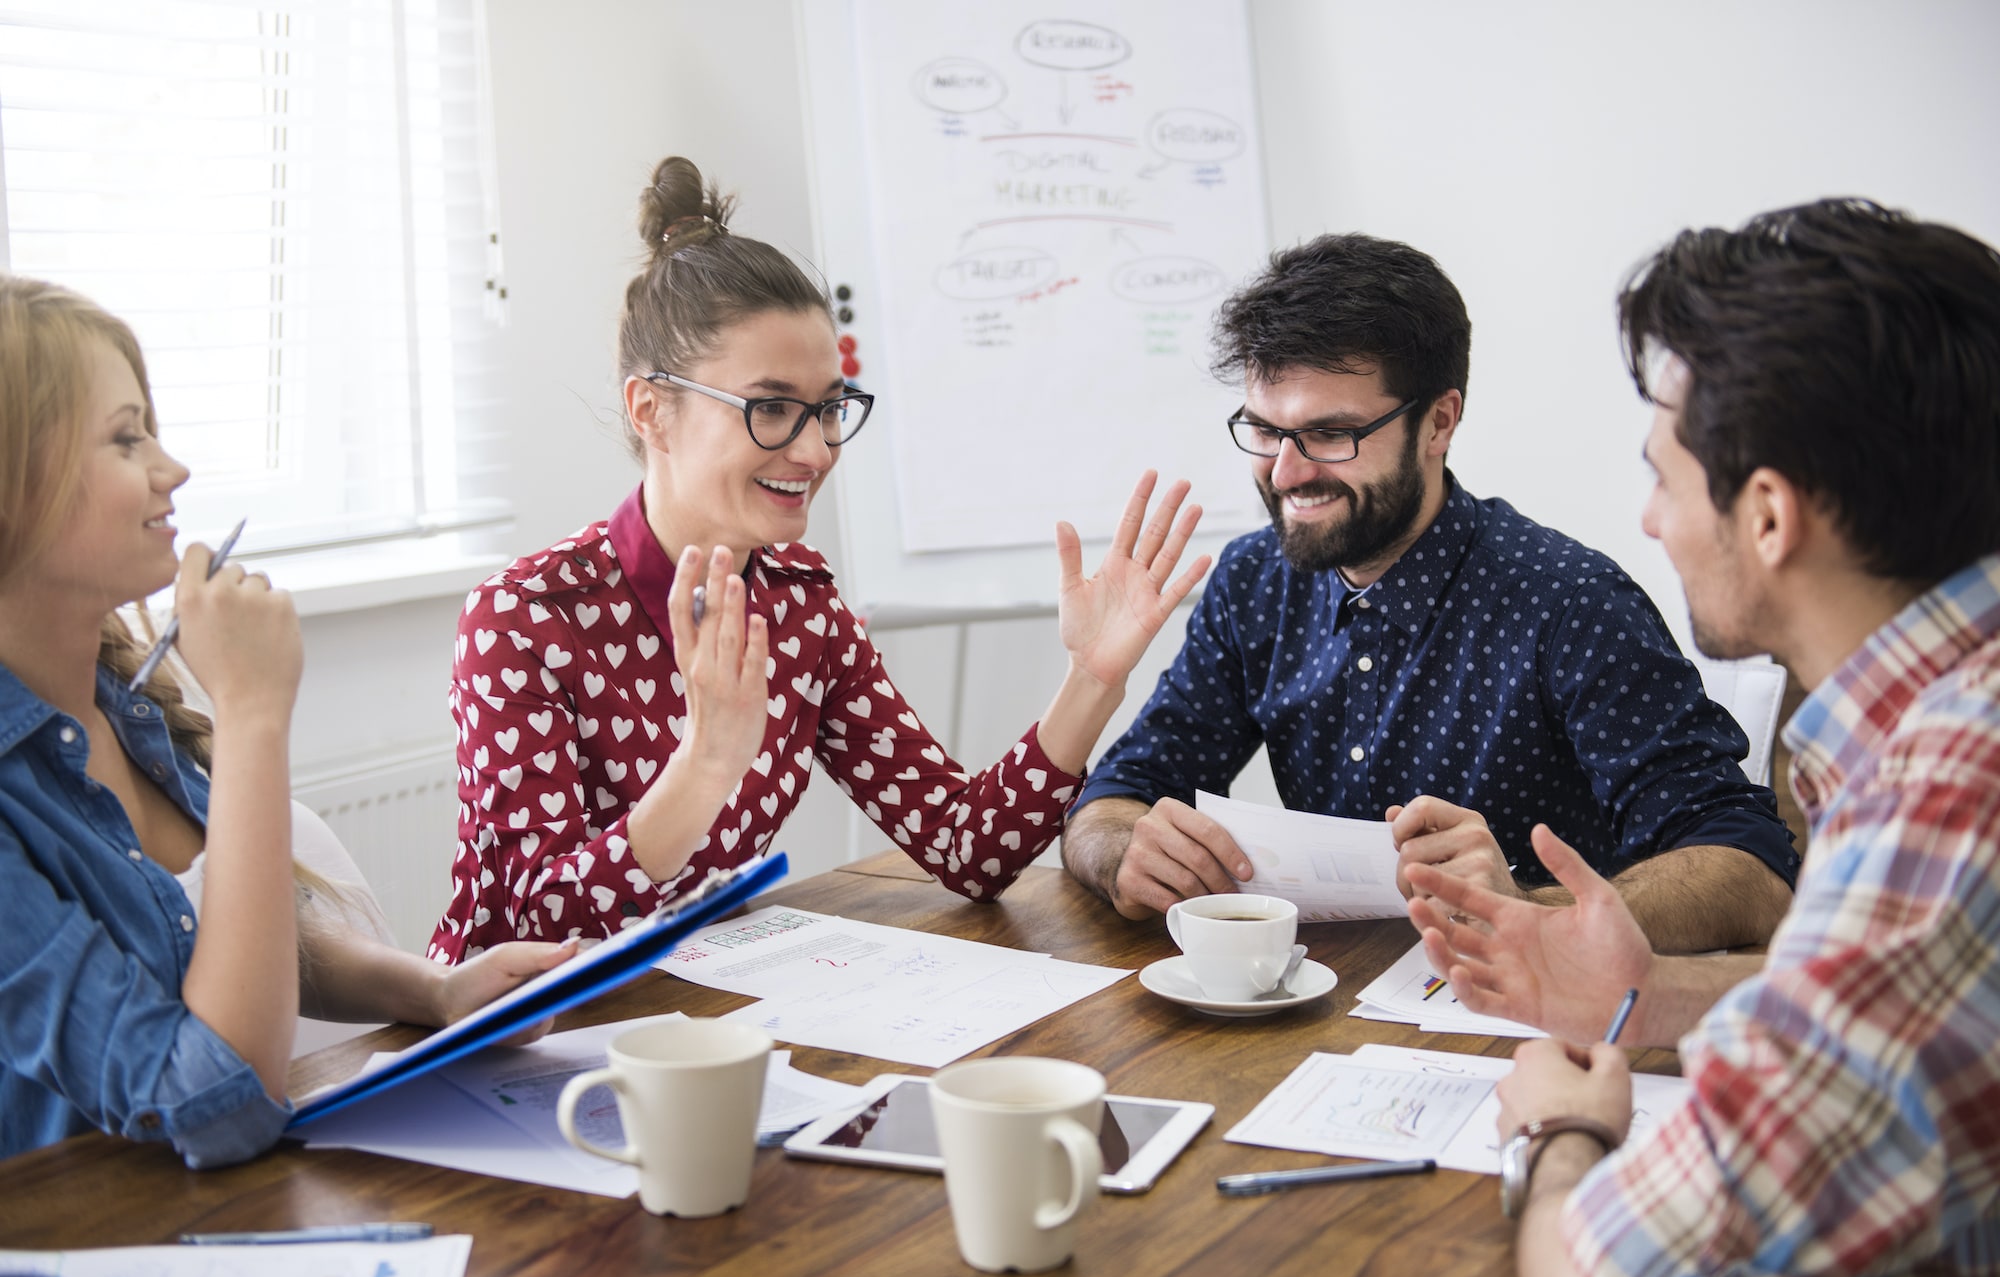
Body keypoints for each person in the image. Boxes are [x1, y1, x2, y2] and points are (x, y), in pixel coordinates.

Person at [1409, 200, 2000, 1277]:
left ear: (1767, 516)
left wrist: (1554, 1133)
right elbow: (1883, 1015)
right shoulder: (1939, 721)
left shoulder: (1944, 805)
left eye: (1662, 479)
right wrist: (1642, 996)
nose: (1647, 520)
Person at [428, 157, 1207, 962]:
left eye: (830, 408)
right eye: (771, 408)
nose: (814, 449)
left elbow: (968, 848)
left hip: (704, 1019)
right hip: (514, 1050)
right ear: (651, 410)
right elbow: (531, 927)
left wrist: (1092, 677)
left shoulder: (801, 603)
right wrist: (701, 769)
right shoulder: (525, 618)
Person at [1061, 233, 1798, 952]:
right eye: (1264, 429)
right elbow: (1114, 799)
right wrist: (1123, 849)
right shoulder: (1256, 581)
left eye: (1331, 435)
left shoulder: (1570, 601)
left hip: (1536, 1036)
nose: (1285, 474)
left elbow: (1753, 873)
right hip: (1325, 1017)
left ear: (1438, 422)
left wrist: (1528, 914)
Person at [0, 276, 574, 1168]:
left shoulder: (117, 701)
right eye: (125, 438)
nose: (172, 469)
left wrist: (439, 989)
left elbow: (243, 943)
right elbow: (220, 1097)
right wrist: (255, 715)